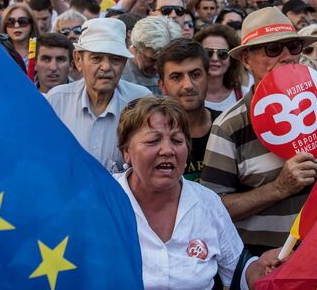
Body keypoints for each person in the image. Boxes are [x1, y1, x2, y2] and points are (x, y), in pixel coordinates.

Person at [115, 96, 281, 290]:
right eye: (153, 141)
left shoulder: (208, 203)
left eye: (177, 140)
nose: (168, 150)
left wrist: (258, 268)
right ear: (126, 151)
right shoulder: (100, 201)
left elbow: (237, 271)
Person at [200, 7, 317, 255]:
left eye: (294, 46)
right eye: (273, 49)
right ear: (246, 60)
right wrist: (279, 188)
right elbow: (213, 208)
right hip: (261, 264)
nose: (287, 56)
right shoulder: (229, 127)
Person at [46, 18, 151, 172]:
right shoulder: (57, 100)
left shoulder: (140, 101)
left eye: (115, 59)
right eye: (96, 58)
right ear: (78, 60)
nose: (106, 67)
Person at [156, 38, 221, 181]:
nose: (188, 85)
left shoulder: (227, 127)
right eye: (176, 77)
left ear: (207, 77)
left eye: (195, 74)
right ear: (162, 86)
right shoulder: (151, 135)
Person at [122, 17, 182, 96]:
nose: (157, 67)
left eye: (164, 60)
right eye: (152, 60)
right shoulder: (119, 74)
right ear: (135, 48)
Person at [194, 24, 247, 112]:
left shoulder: (245, 96)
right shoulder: (187, 95)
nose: (215, 59)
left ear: (232, 60)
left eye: (223, 54)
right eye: (208, 52)